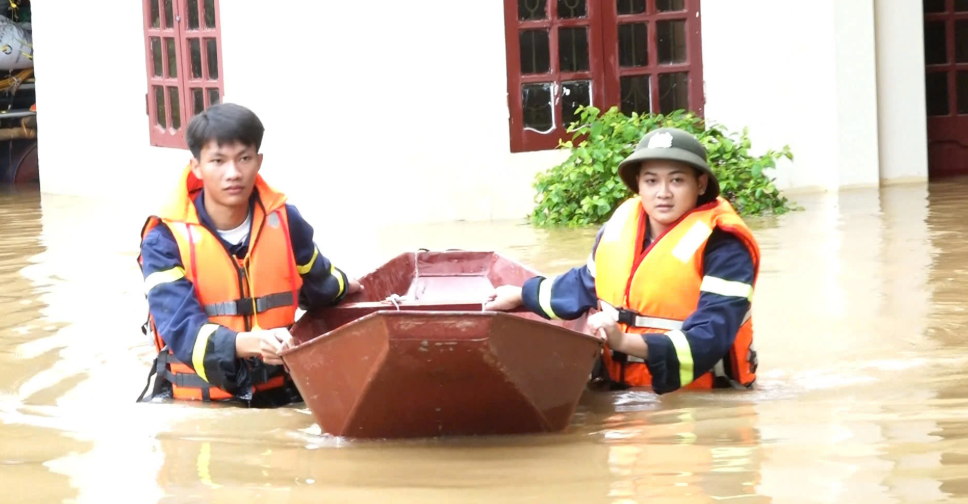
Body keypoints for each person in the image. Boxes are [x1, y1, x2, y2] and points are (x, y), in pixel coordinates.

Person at [485, 127, 760, 394]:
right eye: (651, 181)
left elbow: (710, 336)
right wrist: (522, 294)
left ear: (700, 184)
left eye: (677, 180)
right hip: (622, 388)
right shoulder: (620, 227)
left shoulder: (725, 246)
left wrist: (624, 341)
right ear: (638, 184)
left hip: (699, 398)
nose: (663, 192)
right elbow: (585, 284)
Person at [137, 103, 362, 407]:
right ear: (197, 167)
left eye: (244, 158)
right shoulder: (163, 240)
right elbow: (181, 330)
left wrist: (346, 287)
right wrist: (249, 343)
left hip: (282, 393)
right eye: (218, 160)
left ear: (259, 161)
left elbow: (319, 281)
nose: (233, 173)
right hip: (203, 406)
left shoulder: (285, 221)